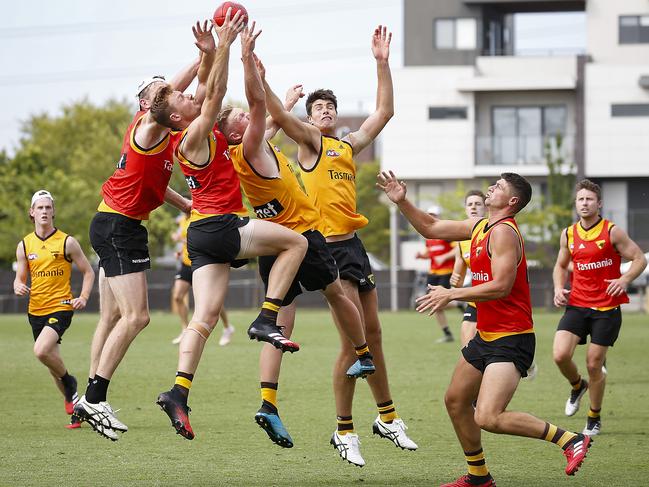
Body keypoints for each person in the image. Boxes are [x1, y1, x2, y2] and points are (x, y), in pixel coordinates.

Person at [260, 25, 417, 466]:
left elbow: (384, 112)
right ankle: (344, 430)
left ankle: (387, 417)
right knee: (353, 344)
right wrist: (264, 81)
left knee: (375, 337)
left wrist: (382, 64)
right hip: (323, 249)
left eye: (330, 106)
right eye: (319, 107)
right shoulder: (309, 142)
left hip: (354, 247)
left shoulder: (346, 147)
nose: (326, 110)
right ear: (310, 119)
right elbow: (282, 118)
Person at [378, 171, 593, 486]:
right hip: (486, 336)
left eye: (500, 187)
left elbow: (502, 286)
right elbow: (431, 227)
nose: (492, 188)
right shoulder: (480, 226)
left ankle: (569, 439)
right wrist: (402, 200)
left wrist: (451, 293)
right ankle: (479, 477)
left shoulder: (504, 232)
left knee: (488, 416)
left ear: (512, 201)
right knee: (455, 400)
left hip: (511, 337)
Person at [150, 13, 308, 441]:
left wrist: (208, 54)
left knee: (202, 318)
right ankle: (267, 316)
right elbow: (215, 90)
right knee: (295, 243)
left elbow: (214, 94)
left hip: (201, 236)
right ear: (178, 118)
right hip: (221, 226)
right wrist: (224, 41)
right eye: (180, 98)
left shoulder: (198, 131)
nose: (187, 96)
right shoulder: (193, 133)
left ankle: (178, 391)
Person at [219, 26, 376, 451]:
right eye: (237, 118)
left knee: (279, 326)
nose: (245, 117)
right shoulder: (251, 141)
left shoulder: (244, 150)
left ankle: (268, 402)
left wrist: (278, 102)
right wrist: (248, 61)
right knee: (336, 295)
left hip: (273, 241)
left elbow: (265, 122)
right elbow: (257, 108)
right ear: (237, 132)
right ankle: (363, 355)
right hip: (301, 235)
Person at [72, 23, 209, 440]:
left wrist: (183, 203)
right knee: (139, 316)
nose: (181, 94)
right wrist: (205, 57)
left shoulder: (164, 134)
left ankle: (90, 400)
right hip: (119, 227)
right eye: (168, 93)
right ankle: (94, 398)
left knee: (114, 315)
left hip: (114, 222)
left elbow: (151, 184)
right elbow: (173, 92)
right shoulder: (150, 126)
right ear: (153, 104)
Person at [552, 179, 646, 436]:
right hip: (577, 305)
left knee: (594, 364)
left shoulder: (612, 232)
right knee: (560, 355)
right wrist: (559, 289)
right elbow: (560, 266)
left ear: (599, 204)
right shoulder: (568, 234)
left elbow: (639, 258)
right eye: (580, 199)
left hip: (606, 309)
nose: (584, 203)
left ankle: (594, 416)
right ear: (576, 203)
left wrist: (625, 279)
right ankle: (577, 385)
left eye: (589, 199)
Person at [13, 190, 95, 429]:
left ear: (54, 212)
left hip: (60, 306)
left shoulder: (67, 242)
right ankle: (76, 408)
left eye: (48, 208)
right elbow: (20, 278)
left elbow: (88, 272)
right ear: (32, 212)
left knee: (41, 351)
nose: (45, 212)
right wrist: (18, 285)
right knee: (52, 363)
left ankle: (70, 384)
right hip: (35, 310)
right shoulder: (24, 245)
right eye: (40, 208)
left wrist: (84, 296)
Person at [170, 211, 235, 346]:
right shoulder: (182, 220)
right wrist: (180, 252)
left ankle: (227, 328)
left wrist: (179, 239)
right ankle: (185, 329)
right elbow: (187, 243)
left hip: (201, 265)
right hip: (186, 264)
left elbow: (198, 239)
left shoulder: (197, 217)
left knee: (212, 302)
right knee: (177, 296)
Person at [449, 191, 486, 347]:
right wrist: (454, 281)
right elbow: (458, 281)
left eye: (478, 204)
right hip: (475, 302)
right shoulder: (461, 242)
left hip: (499, 303)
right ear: (465, 209)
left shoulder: (496, 232)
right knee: (467, 351)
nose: (473, 207)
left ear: (486, 208)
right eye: (470, 204)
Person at [416, 205, 456, 343]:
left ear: (439, 217)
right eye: (429, 214)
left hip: (446, 272)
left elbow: (457, 250)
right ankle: (447, 333)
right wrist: (422, 256)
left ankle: (460, 303)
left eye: (434, 215)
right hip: (432, 273)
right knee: (434, 303)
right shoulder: (428, 236)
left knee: (439, 302)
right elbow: (431, 253)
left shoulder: (446, 233)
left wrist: (444, 257)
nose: (431, 217)